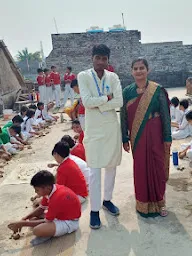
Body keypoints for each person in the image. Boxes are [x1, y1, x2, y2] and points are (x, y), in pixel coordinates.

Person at [77, 44, 123, 229]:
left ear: (108, 60)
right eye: (98, 57)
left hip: (112, 128)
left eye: (104, 58)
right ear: (92, 58)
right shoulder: (83, 76)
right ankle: (94, 211)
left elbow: (119, 100)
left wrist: (100, 105)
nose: (101, 61)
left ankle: (107, 200)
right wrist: (107, 99)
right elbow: (86, 101)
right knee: (95, 171)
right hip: (94, 130)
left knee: (111, 167)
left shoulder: (113, 77)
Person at [120, 58, 172, 218]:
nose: (139, 71)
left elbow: (165, 115)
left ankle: (160, 203)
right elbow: (123, 117)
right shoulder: (127, 92)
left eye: (142, 68)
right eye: (135, 68)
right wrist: (124, 137)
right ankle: (142, 204)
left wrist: (167, 137)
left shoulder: (157, 90)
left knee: (157, 166)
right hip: (137, 135)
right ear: (131, 71)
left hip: (156, 131)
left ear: (148, 70)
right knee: (141, 167)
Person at [8, 171, 81, 246]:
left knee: (37, 231)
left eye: (37, 190)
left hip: (69, 222)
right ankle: (48, 230)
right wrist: (25, 218)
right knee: (32, 219)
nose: (36, 192)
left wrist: (23, 223)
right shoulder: (51, 190)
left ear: (47, 188)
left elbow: (47, 221)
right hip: (61, 215)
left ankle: (48, 234)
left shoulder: (56, 198)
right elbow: (41, 208)